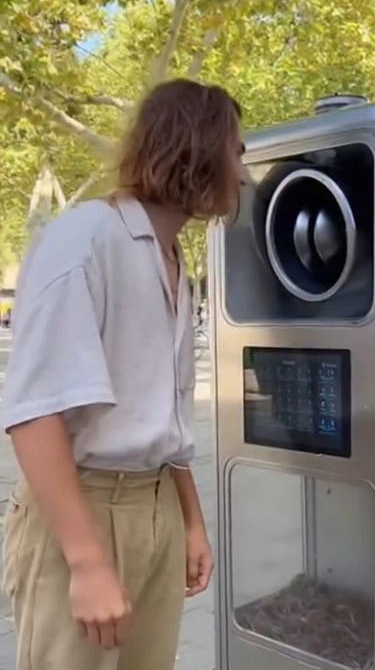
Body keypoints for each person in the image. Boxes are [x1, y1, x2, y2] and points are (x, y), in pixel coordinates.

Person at [0, 78, 246, 670]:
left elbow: (165, 413)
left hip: (156, 503)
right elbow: (34, 412)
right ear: (198, 146)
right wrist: (86, 562)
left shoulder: (174, 263)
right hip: (84, 505)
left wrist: (190, 521)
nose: (241, 173)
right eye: (235, 151)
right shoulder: (86, 239)